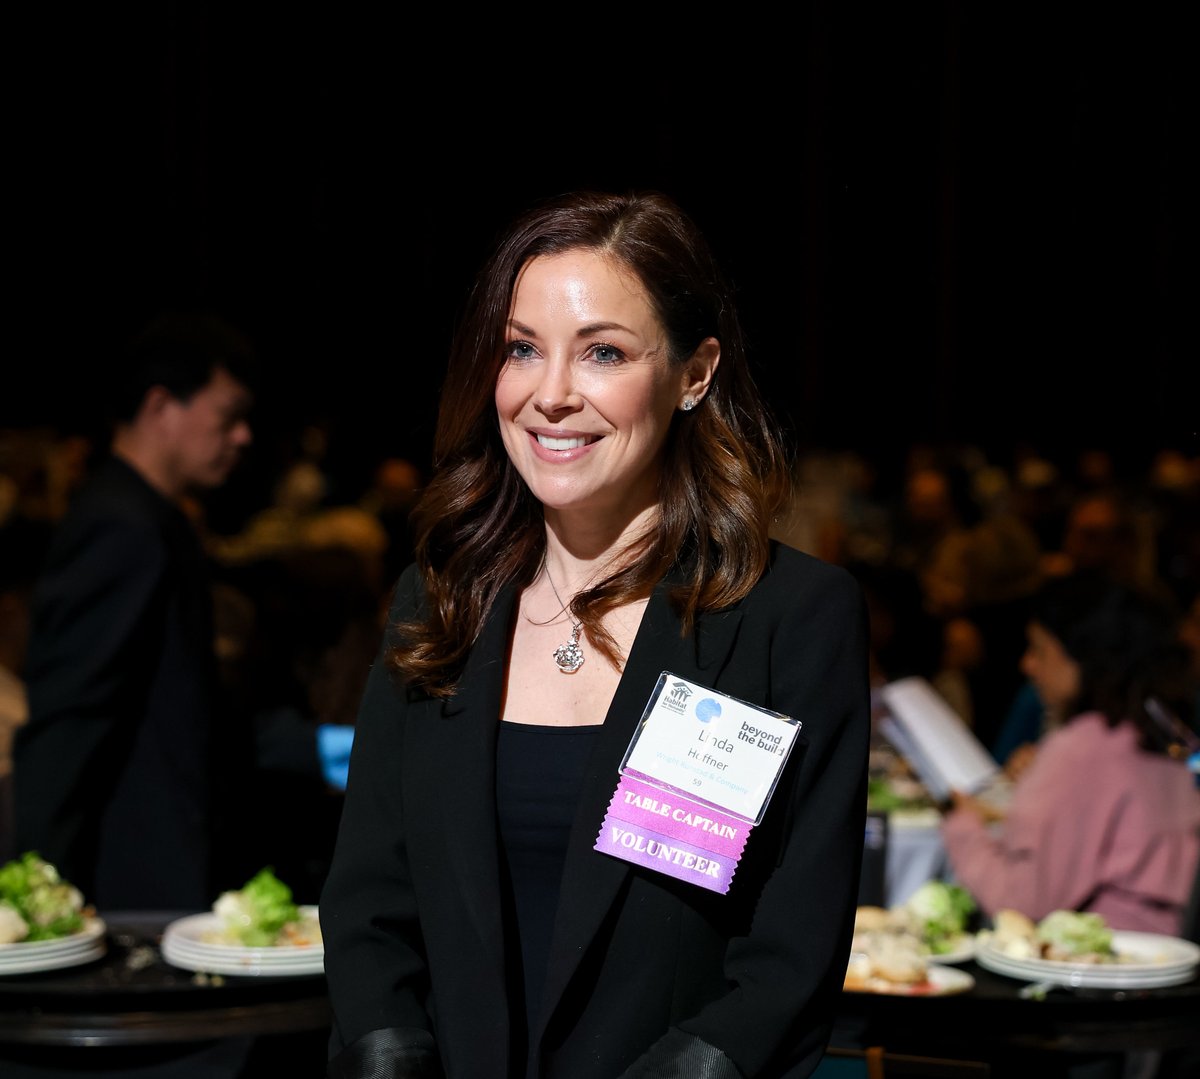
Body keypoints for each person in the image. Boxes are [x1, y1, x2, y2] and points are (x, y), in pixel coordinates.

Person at [319, 190, 872, 1079]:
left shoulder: (790, 617)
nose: (551, 395)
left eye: (603, 352)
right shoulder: (437, 602)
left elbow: (791, 955)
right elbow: (367, 903)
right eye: (522, 350)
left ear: (694, 374)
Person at [12, 311, 258, 911]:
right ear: (160, 406)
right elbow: (70, 720)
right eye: (228, 417)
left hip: (161, 874)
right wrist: (41, 898)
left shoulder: (151, 518)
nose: (243, 436)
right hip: (131, 888)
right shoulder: (121, 527)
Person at [941, 571, 1200, 936]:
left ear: (1083, 658)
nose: (1027, 665)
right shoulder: (1165, 730)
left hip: (1105, 962)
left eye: (1039, 649)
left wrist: (962, 824)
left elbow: (1024, 901)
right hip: (1165, 952)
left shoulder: (1086, 747)